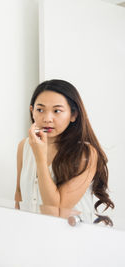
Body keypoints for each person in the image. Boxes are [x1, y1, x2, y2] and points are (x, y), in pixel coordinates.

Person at [15, 79, 114, 222]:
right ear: (32, 111)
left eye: (57, 111)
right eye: (40, 110)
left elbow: (55, 212)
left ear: (73, 115)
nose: (47, 119)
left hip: (73, 238)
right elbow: (19, 195)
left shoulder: (85, 153)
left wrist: (40, 158)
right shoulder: (24, 146)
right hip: (33, 235)